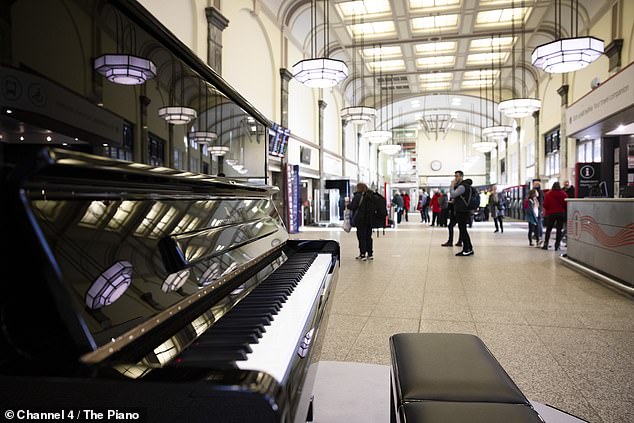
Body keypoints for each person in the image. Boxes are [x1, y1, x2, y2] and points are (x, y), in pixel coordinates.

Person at [449, 171, 474, 256]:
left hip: (462, 211)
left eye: (457, 176)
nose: (455, 178)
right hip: (464, 210)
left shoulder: (462, 187)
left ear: (461, 177)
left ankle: (466, 249)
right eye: (455, 176)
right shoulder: (466, 186)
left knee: (463, 230)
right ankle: (469, 248)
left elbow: (452, 195)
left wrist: (452, 185)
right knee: (463, 230)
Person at [347, 182, 374, 261]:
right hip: (369, 220)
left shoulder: (358, 196)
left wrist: (347, 204)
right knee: (368, 237)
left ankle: (362, 254)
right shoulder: (370, 196)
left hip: (361, 220)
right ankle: (370, 254)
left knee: (361, 236)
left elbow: (352, 206)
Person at [542, 182, 568, 251]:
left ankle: (546, 244)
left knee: (549, 229)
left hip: (551, 213)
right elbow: (566, 204)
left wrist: (549, 209)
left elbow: (545, 204)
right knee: (559, 230)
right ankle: (557, 245)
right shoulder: (563, 194)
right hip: (561, 213)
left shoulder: (548, 194)